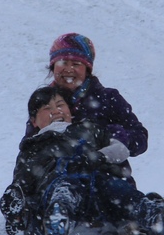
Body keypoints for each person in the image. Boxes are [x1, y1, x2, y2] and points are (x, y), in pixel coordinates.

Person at [0, 86, 164, 235]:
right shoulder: (33, 147)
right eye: (47, 108)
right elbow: (23, 184)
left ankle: (155, 217)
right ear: (34, 121)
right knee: (63, 187)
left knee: (117, 189)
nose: (56, 111)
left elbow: (120, 150)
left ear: (70, 111)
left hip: (97, 188)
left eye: (60, 105)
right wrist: (18, 201)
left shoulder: (88, 129)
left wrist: (99, 157)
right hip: (57, 187)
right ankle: (56, 218)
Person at [22, 33, 149, 184]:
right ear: (53, 66)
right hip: (56, 184)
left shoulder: (107, 99)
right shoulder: (42, 102)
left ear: (87, 69)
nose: (68, 69)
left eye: (76, 64)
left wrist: (114, 138)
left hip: (108, 181)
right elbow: (28, 148)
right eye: (63, 62)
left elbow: (140, 136)